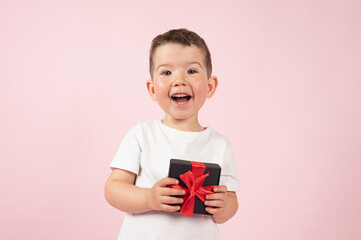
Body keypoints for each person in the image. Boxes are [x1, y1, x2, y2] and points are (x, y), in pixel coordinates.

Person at [105, 28, 239, 240]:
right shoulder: (142, 135)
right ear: (152, 89)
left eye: (191, 71)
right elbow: (113, 189)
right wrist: (149, 197)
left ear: (210, 86)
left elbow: (230, 202)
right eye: (167, 72)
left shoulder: (220, 145)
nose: (179, 80)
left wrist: (223, 206)